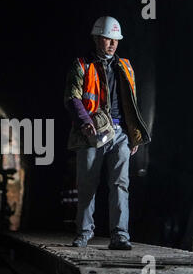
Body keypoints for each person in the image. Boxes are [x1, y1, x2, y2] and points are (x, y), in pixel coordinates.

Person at [64, 16, 151, 250]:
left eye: (115, 39)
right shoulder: (82, 65)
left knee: (120, 184)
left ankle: (120, 236)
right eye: (107, 38)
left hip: (120, 132)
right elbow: (72, 97)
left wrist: (133, 135)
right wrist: (84, 122)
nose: (112, 43)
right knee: (87, 185)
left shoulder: (126, 67)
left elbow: (131, 104)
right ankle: (83, 233)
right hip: (90, 134)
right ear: (96, 38)